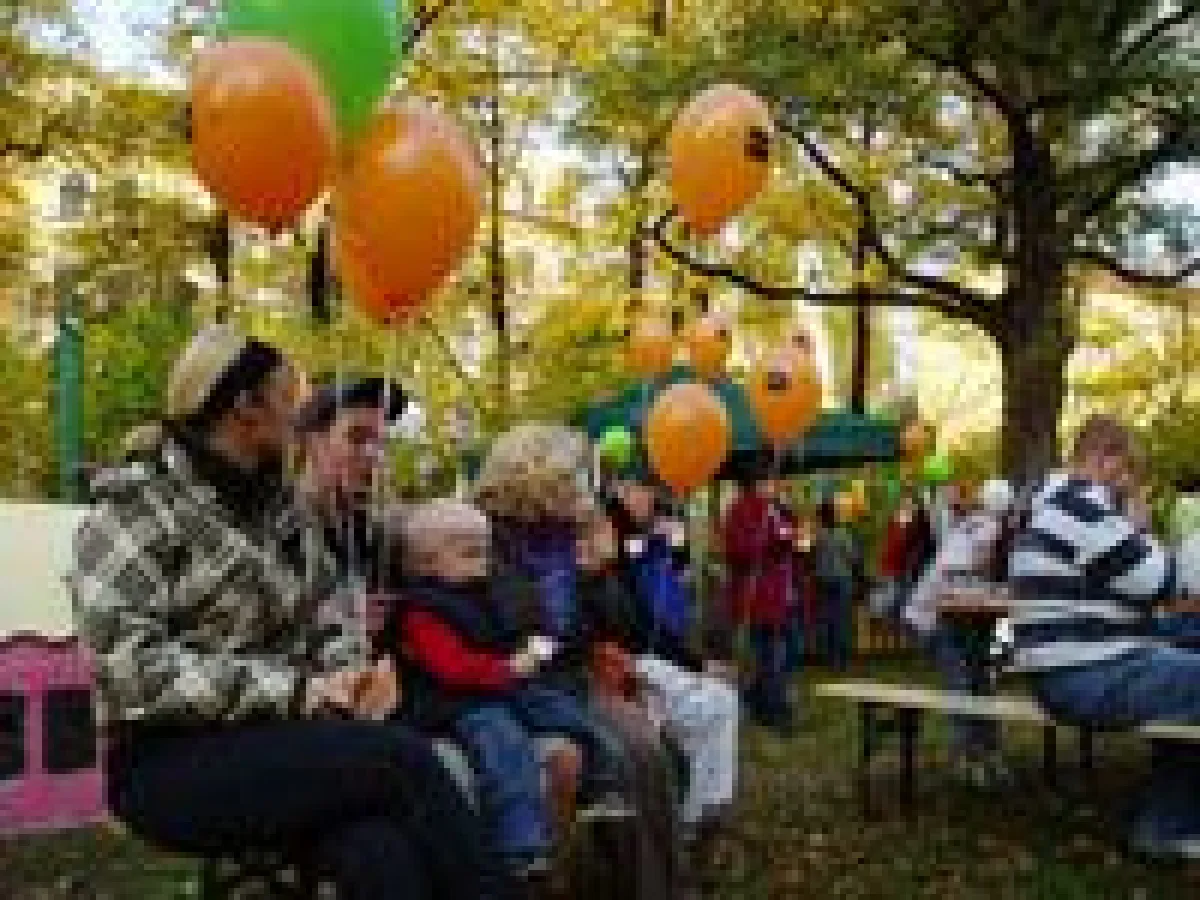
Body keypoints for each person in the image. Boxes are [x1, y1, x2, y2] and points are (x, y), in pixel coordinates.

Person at [73, 325, 502, 899]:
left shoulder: (284, 517)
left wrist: (351, 677)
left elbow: (328, 622)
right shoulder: (133, 511)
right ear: (244, 408)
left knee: (377, 850)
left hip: (287, 744)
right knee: (403, 761)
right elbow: (130, 672)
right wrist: (299, 691)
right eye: (288, 402)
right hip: (167, 765)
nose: (300, 421)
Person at [385, 498, 631, 879]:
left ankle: (602, 782)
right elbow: (451, 668)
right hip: (452, 701)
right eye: (469, 554)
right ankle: (521, 842)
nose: (482, 562)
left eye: (484, 552)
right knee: (505, 744)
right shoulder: (421, 611)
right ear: (428, 563)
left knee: (562, 710)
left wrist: (527, 653)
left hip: (499, 683)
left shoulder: (476, 593)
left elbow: (501, 635)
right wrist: (506, 668)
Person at [1008, 416, 1186, 857]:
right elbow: (1162, 582)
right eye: (1129, 472)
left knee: (1184, 676)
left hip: (1064, 674)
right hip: (1086, 678)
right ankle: (1168, 827)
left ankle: (1171, 818)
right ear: (1106, 459)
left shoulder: (1049, 505)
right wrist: (1142, 529)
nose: (1130, 485)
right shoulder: (1084, 507)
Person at [608, 479, 740, 833]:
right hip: (637, 655)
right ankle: (689, 813)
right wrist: (695, 664)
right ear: (621, 490)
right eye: (641, 489)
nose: (649, 497)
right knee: (689, 711)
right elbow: (632, 615)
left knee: (720, 699)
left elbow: (677, 566)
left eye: (652, 491)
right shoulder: (614, 534)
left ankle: (706, 809)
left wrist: (673, 538)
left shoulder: (654, 524)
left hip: (663, 634)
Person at [571, 506, 688, 899]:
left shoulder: (616, 579)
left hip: (626, 677)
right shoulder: (576, 584)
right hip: (593, 684)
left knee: (671, 751)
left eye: (603, 534)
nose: (600, 543)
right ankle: (646, 877)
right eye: (588, 536)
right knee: (640, 752)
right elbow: (582, 644)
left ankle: (673, 858)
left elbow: (642, 631)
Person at [906, 479, 1015, 786]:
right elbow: (964, 569)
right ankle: (970, 757)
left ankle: (986, 753)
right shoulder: (980, 528)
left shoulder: (976, 525)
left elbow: (983, 573)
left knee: (980, 679)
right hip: (939, 618)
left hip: (959, 618)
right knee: (964, 684)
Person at [720, 476, 799, 733]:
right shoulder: (741, 509)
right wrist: (773, 541)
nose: (775, 486)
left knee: (780, 653)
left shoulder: (777, 509)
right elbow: (737, 550)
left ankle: (768, 701)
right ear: (757, 482)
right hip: (757, 597)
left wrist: (790, 531)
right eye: (770, 481)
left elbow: (789, 538)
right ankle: (769, 708)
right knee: (767, 654)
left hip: (781, 594)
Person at [812, 497, 857, 672]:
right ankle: (841, 661)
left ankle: (830, 659)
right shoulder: (842, 534)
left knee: (827, 619)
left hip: (823, 580)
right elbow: (852, 557)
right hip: (842, 579)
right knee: (842, 620)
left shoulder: (818, 535)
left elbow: (809, 555)